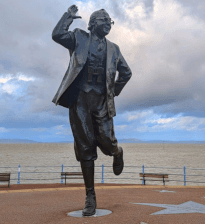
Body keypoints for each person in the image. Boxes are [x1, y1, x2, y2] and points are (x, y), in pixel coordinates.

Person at [52, 5, 132, 216]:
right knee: (85, 147)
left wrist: (113, 91)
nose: (108, 23)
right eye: (104, 20)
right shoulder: (79, 37)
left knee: (106, 141)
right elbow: (57, 35)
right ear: (92, 23)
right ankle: (90, 195)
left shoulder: (114, 48)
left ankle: (117, 151)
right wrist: (68, 17)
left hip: (101, 101)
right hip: (79, 100)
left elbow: (126, 72)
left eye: (110, 21)